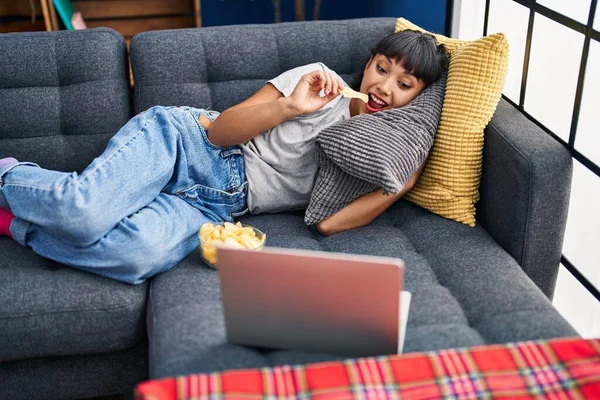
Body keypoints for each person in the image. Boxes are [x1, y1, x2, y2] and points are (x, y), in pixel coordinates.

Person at [0, 30, 448, 284]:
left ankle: (14, 222)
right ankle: (10, 177)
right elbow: (219, 131)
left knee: (137, 258)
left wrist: (403, 182)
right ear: (369, 63)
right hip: (185, 143)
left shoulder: (379, 155)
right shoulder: (317, 82)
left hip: (216, 206)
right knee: (84, 212)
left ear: (420, 100)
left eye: (404, 85)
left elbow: (329, 224)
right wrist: (290, 106)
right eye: (382, 69)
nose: (384, 88)